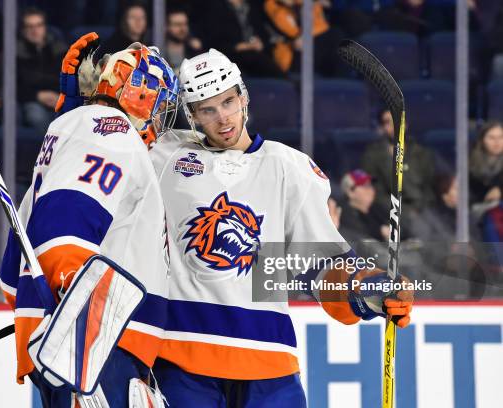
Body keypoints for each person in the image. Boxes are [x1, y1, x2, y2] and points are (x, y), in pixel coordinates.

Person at [148, 48, 414, 407]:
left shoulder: (288, 166)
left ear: (243, 97)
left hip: (268, 361)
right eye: (208, 110)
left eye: (228, 102)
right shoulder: (165, 155)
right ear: (192, 116)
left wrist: (366, 289)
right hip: (181, 359)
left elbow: (319, 265)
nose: (223, 119)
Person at [0, 35, 179, 407]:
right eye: (159, 104)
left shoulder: (76, 128)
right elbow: (67, 218)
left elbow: (11, 275)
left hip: (82, 340)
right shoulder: (112, 133)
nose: (160, 118)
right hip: (94, 343)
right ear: (139, 95)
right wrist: (77, 311)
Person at [361, 108, 437, 238]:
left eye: (398, 121)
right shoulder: (373, 155)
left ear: (406, 124)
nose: (394, 126)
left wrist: (418, 209)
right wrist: (405, 211)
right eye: (388, 122)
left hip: (423, 210)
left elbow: (428, 188)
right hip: (389, 213)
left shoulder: (421, 153)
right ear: (382, 127)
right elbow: (375, 192)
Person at [199, 0, 284, 78]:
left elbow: (265, 32)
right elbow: (212, 41)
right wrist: (239, 46)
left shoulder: (252, 5)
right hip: (231, 55)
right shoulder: (215, 8)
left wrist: (261, 43)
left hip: (259, 52)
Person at [17, 7, 66, 135]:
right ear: (23, 30)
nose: (35, 30)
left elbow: (71, 79)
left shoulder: (59, 49)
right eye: (30, 26)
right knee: (36, 116)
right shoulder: (16, 53)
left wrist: (60, 96)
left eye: (39, 25)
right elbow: (14, 88)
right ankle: (48, 153)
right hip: (32, 100)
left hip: (59, 98)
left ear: (45, 28)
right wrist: (37, 96)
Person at [338, 169, 389, 242]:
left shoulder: (377, 208)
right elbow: (359, 237)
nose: (371, 189)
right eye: (365, 186)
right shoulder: (344, 214)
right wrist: (380, 232)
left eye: (371, 185)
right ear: (350, 192)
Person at [162, 7, 202, 75]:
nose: (182, 29)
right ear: (167, 27)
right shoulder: (159, 49)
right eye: (178, 24)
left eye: (185, 24)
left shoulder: (194, 50)